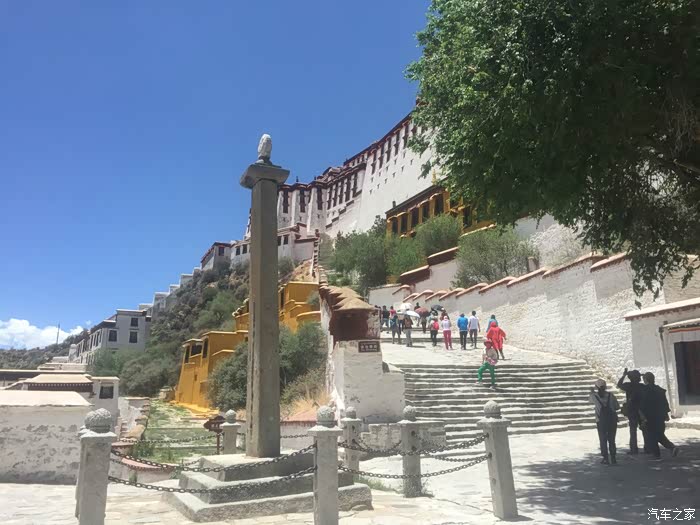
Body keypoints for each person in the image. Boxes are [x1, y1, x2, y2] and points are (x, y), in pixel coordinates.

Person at [640, 372, 679, 459]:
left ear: (645, 380)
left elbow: (642, 404)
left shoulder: (644, 390)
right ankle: (668, 449)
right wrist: (666, 414)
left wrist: (643, 416)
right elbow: (665, 403)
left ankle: (660, 452)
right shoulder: (659, 390)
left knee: (653, 435)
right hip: (660, 416)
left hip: (650, 416)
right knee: (658, 434)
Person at [588, 379, 620, 465]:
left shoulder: (594, 396)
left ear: (596, 387)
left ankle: (605, 458)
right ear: (605, 386)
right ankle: (613, 457)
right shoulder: (611, 395)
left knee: (603, 439)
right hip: (612, 420)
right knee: (612, 439)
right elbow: (617, 407)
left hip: (601, 421)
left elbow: (590, 400)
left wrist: (591, 392)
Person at [617, 368, 646, 455]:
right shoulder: (642, 386)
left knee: (633, 431)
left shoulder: (628, 386)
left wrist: (624, 375)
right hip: (642, 410)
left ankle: (634, 449)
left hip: (632, 410)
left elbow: (619, 384)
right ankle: (648, 447)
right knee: (645, 430)